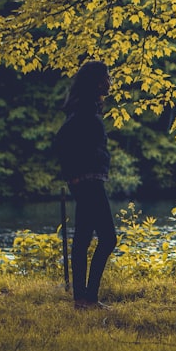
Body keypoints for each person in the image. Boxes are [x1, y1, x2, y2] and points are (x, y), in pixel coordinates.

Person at [56, 60, 117, 309]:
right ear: (96, 81)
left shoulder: (85, 108)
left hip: (86, 180)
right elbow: (63, 141)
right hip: (89, 182)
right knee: (108, 238)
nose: (110, 81)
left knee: (83, 237)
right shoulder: (82, 112)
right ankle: (88, 298)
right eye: (107, 76)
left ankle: (82, 299)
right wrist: (78, 174)